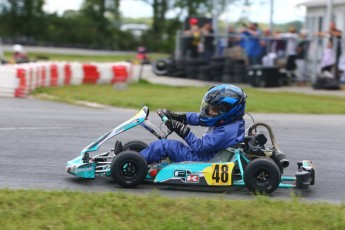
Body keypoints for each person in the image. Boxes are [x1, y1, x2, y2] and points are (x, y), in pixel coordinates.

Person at [137, 84, 247, 164]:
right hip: (207, 154)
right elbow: (201, 118)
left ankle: (134, 161)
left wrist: (183, 130)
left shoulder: (226, 131)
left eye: (214, 109)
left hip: (204, 160)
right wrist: (181, 117)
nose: (209, 111)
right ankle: (135, 157)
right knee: (166, 145)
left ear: (228, 111)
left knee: (164, 146)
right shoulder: (230, 121)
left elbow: (199, 147)